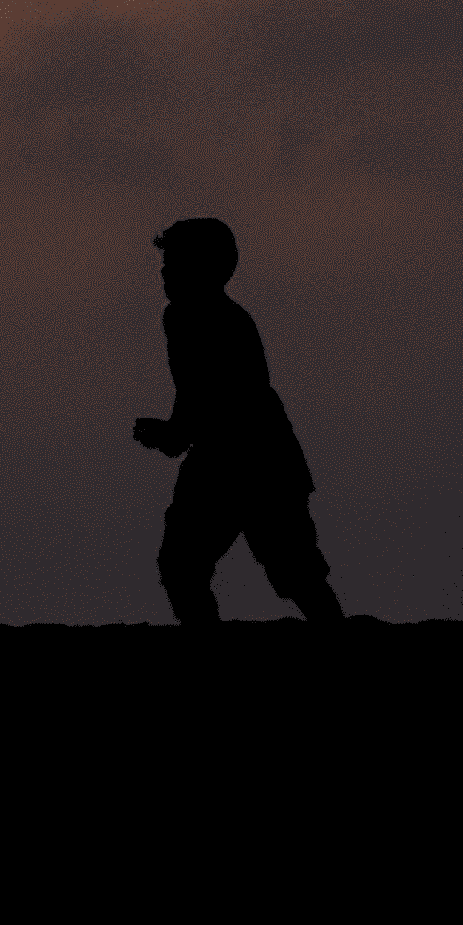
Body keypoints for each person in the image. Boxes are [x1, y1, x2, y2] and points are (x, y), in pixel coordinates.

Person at [132, 217, 335, 626]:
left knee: (292, 573)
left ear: (205, 267)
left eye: (174, 263)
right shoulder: (192, 318)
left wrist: (172, 434)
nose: (164, 272)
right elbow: (197, 396)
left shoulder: (200, 320)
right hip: (241, 457)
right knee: (185, 567)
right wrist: (174, 431)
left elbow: (211, 397)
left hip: (255, 460)